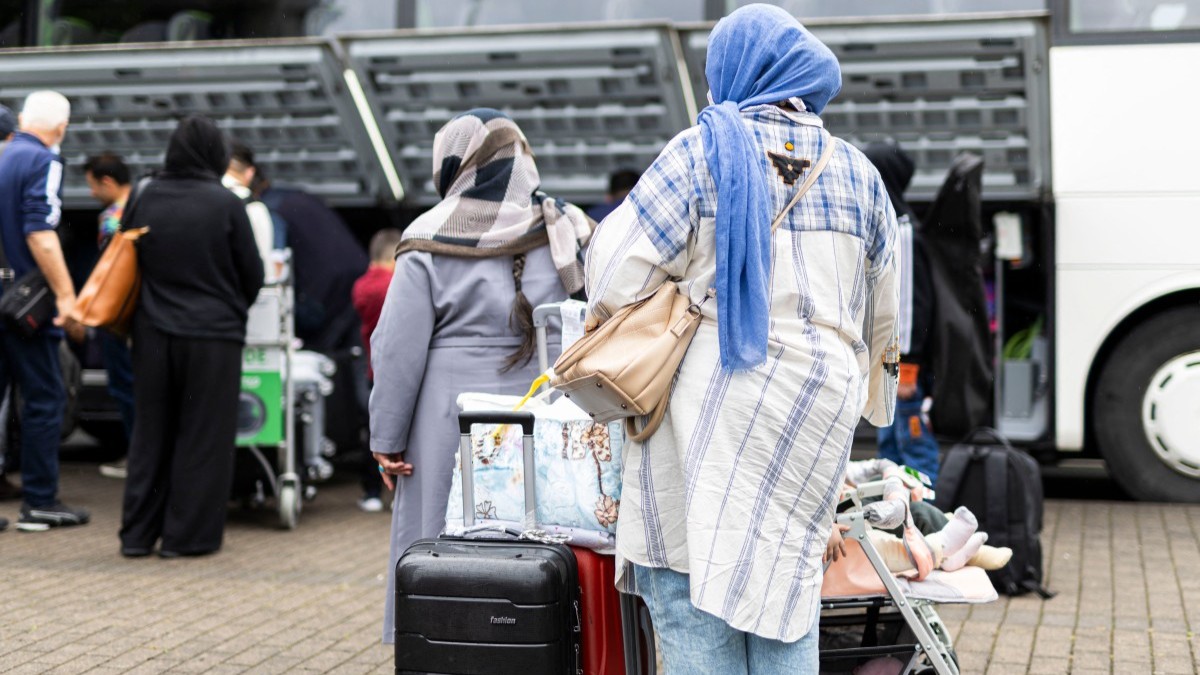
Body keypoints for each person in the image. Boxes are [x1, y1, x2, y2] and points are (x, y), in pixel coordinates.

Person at [584, 6, 900, 672]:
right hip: (815, 415)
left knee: (692, 585)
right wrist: (873, 406)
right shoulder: (860, 175)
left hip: (710, 411)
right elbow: (884, 325)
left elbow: (612, 273)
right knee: (786, 595)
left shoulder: (699, 153)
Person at [371, 108, 593, 643]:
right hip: (550, 406)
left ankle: (445, 641)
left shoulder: (426, 234)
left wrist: (386, 438)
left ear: (453, 161)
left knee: (441, 540)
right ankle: (544, 640)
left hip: (446, 418)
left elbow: (397, 348)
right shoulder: (570, 225)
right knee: (547, 533)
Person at [118, 116, 264, 558]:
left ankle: (138, 536)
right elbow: (252, 275)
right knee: (203, 436)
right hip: (213, 338)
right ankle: (186, 539)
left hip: (152, 334)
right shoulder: (225, 204)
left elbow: (129, 259)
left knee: (150, 432)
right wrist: (228, 307)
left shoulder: (143, 196)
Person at [0, 91, 89, 532]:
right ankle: (39, 502)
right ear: (62, 128)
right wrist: (67, 297)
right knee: (44, 398)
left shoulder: (2, 155)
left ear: (21, 119)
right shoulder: (44, 162)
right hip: (24, 308)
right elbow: (40, 233)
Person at [863, 141, 941, 487]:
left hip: (902, 364)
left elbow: (911, 306)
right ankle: (897, 529)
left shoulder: (903, 230)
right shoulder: (889, 225)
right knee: (890, 451)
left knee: (915, 450)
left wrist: (907, 369)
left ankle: (924, 522)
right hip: (889, 360)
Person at [82, 152, 137, 479]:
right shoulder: (144, 208)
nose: (91, 193)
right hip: (144, 317)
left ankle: (136, 455)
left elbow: (106, 275)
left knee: (124, 387)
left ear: (107, 181)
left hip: (117, 319)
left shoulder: (111, 218)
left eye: (92, 185)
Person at [352, 228, 401, 513]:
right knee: (399, 434)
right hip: (397, 371)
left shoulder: (361, 286)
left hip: (373, 369)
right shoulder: (395, 284)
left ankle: (370, 492)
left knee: (372, 433)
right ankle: (398, 493)